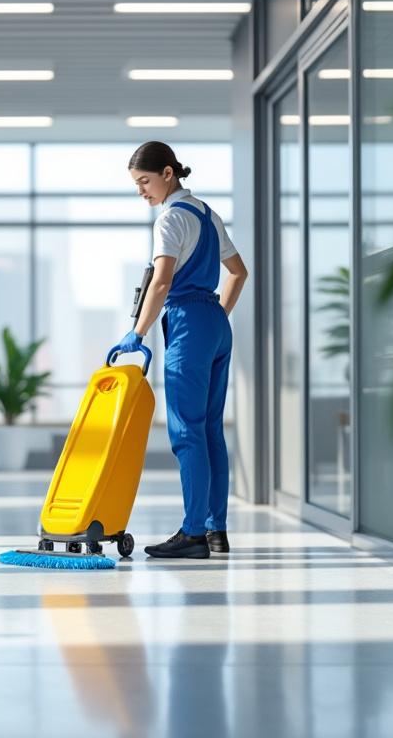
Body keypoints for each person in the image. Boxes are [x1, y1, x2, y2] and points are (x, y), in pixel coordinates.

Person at [117, 141, 249, 559]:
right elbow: (238, 273)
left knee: (186, 432)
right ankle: (215, 531)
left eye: (145, 181)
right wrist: (217, 315)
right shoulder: (208, 215)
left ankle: (193, 533)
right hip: (214, 322)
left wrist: (137, 333)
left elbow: (161, 282)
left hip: (189, 323)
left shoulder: (170, 218)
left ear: (168, 174)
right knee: (211, 430)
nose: (142, 191)